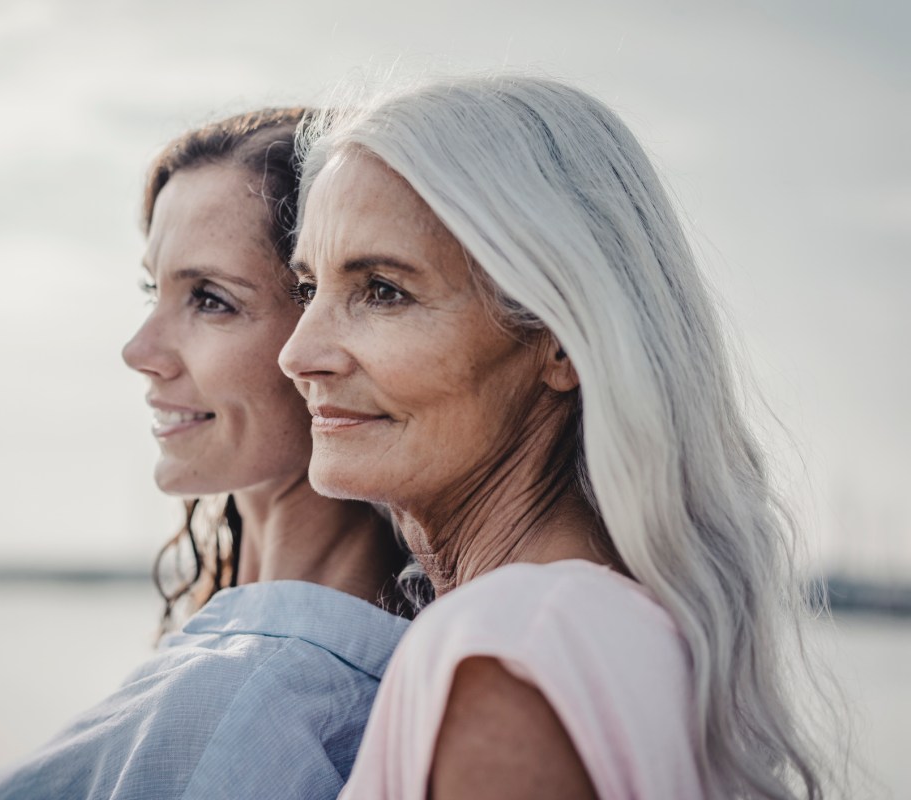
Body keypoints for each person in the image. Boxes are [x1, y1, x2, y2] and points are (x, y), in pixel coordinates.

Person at [279, 76, 842, 799]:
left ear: (561, 342)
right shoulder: (627, 638)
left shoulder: (503, 654)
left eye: (383, 290)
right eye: (307, 289)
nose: (299, 353)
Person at [0, 108, 413, 800]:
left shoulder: (246, 704)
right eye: (154, 289)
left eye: (210, 300)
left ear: (326, 334)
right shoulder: (308, 669)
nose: (139, 351)